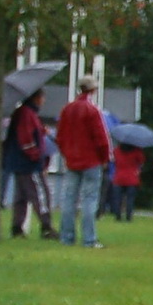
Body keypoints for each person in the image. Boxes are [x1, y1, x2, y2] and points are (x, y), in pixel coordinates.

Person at [56, 75, 113, 248]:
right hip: (91, 161)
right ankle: (89, 239)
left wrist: (67, 154)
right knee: (89, 200)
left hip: (72, 160)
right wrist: (105, 158)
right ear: (93, 90)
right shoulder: (92, 110)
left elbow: (60, 136)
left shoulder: (67, 109)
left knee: (69, 199)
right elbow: (101, 139)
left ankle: (67, 237)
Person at [4, 90, 55, 239]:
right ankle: (46, 227)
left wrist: (41, 131)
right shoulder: (27, 114)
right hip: (29, 163)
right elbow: (26, 137)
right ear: (36, 98)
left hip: (18, 162)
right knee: (41, 193)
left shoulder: (23, 113)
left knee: (21, 196)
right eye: (42, 97)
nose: (44, 101)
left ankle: (17, 227)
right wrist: (35, 155)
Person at [111, 143, 144, 221]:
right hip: (132, 178)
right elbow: (141, 161)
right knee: (130, 199)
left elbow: (114, 161)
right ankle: (129, 217)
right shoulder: (137, 151)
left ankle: (118, 216)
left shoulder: (117, 150)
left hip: (119, 177)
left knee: (118, 198)